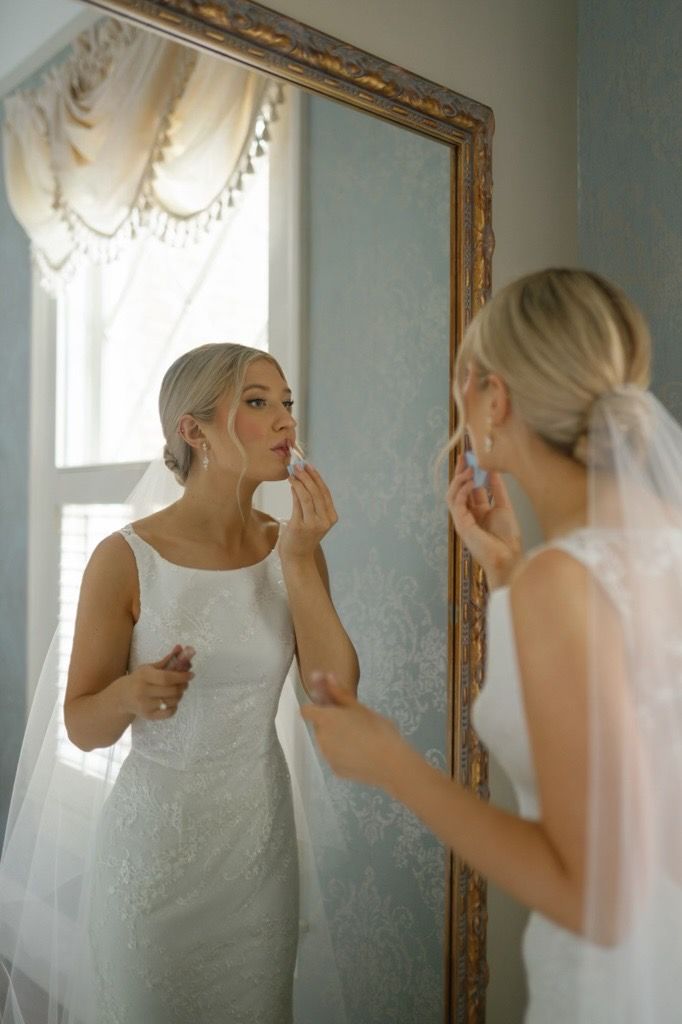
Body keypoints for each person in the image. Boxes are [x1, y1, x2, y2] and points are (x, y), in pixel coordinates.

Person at [302, 268, 682, 1023]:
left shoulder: (560, 583)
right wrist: (508, 567)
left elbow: (596, 899)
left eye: (463, 384)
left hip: (609, 987)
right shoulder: (647, 554)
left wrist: (393, 765)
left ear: (493, 398)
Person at [0, 342, 359, 1024]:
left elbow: (333, 688)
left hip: (258, 855)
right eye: (258, 403)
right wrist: (132, 693)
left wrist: (303, 559)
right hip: (153, 861)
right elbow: (80, 724)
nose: (286, 421)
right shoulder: (123, 559)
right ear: (193, 431)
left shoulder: (291, 548)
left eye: (287, 403)